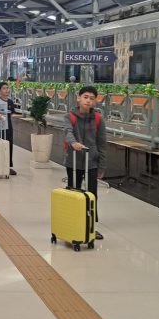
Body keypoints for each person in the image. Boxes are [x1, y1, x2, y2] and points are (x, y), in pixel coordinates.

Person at [64, 86, 107, 240]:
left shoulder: (98, 119)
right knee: (74, 193)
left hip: (92, 162)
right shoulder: (69, 116)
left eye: (91, 98)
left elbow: (102, 143)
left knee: (92, 195)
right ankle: (73, 225)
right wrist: (73, 142)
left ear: (95, 101)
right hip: (74, 162)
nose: (88, 101)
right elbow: (67, 132)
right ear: (78, 98)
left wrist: (102, 166)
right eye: (85, 97)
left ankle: (91, 227)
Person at [0, 81, 17, 176]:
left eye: (7, 88)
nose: (7, 90)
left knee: (9, 145)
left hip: (8, 127)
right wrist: (0, 115)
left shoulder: (10, 102)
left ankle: (8, 166)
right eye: (4, 88)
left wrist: (11, 126)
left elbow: (11, 115)